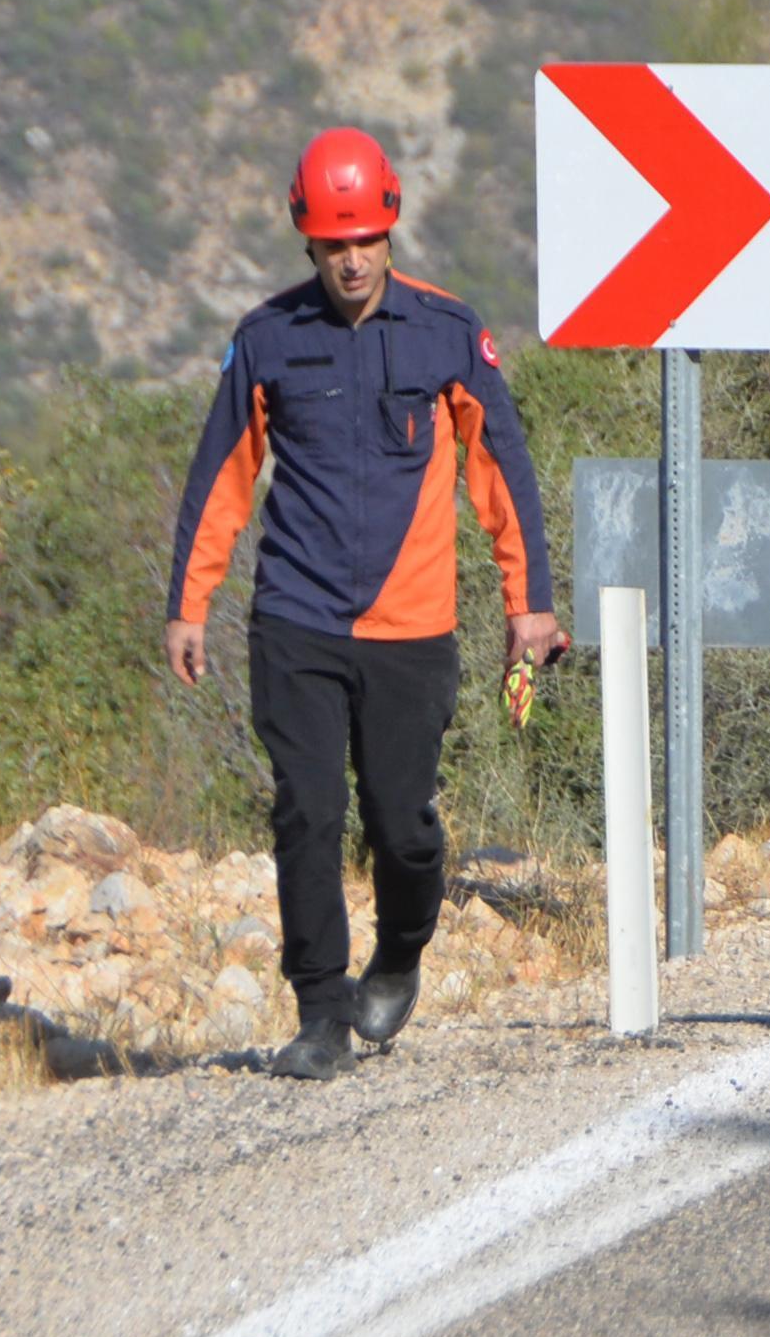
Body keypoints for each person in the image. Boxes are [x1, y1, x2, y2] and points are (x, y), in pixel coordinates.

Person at [164, 128, 562, 1080]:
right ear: (308, 239)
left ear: (391, 230)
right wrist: (190, 602)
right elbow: (222, 474)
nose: (351, 260)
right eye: (334, 244)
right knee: (306, 810)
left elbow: (501, 470)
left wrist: (529, 603)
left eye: (366, 240)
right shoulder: (268, 338)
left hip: (412, 629)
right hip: (295, 618)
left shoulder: (447, 333)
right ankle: (319, 1014)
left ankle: (402, 950)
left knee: (402, 825)